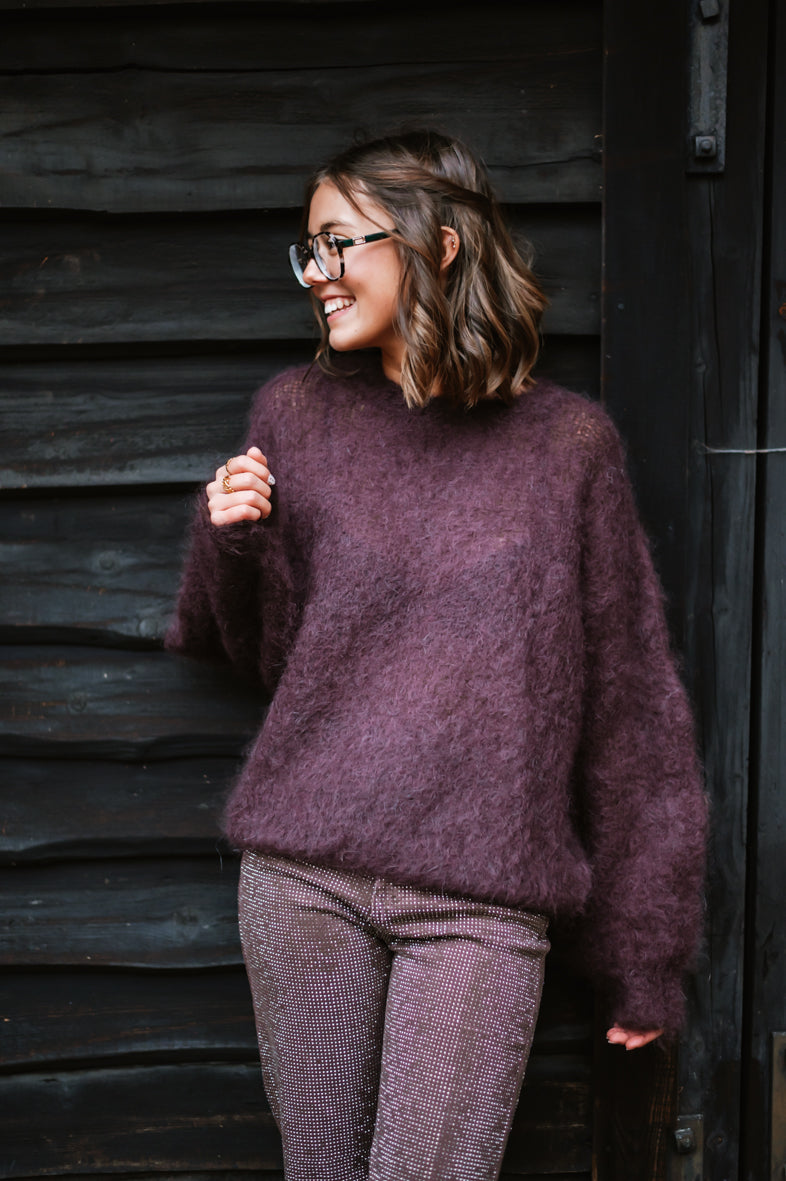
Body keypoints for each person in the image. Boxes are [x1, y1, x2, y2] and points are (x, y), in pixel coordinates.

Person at [166, 129, 707, 1181]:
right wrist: (229, 540)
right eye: (308, 250)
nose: (317, 273)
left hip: (480, 903)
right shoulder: (295, 416)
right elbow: (265, 653)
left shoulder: (568, 449)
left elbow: (631, 706)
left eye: (338, 243)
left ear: (437, 243)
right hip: (304, 882)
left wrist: (644, 951)